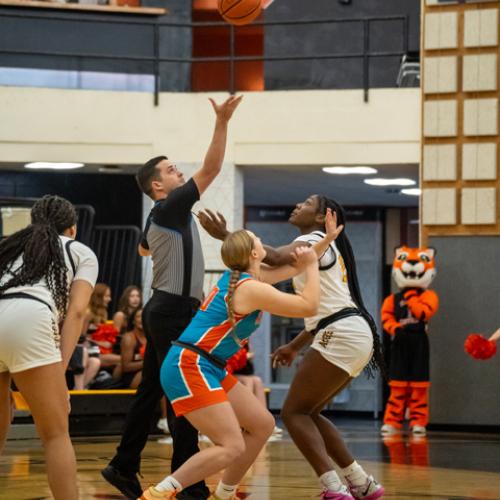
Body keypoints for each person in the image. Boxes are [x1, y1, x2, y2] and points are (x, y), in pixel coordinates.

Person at [102, 94, 243, 500]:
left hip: (163, 308)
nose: (178, 171)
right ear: (158, 187)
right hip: (172, 309)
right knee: (186, 388)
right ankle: (190, 482)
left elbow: (143, 248)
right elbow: (213, 167)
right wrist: (222, 121)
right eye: (170, 169)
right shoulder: (170, 206)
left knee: (152, 389)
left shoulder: (158, 215)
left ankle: (123, 464)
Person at [139, 217, 340, 500]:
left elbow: (292, 264)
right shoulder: (250, 288)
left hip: (205, 364)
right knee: (231, 445)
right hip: (189, 364)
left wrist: (325, 242)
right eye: (257, 238)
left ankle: (225, 494)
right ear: (255, 253)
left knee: (262, 424)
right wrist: (311, 267)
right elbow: (308, 305)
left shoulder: (248, 279)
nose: (261, 240)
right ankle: (157, 494)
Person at [199, 195, 386, 500]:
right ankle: (361, 482)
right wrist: (294, 345)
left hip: (342, 331)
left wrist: (226, 235)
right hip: (352, 332)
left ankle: (333, 488)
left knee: (293, 413)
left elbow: (272, 257)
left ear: (320, 216)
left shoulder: (312, 239)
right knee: (309, 413)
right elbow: (323, 311)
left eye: (308, 202)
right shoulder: (324, 244)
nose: (298, 203)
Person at [0, 195, 98, 500]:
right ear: (72, 229)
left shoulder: (9, 247)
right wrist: (59, 369)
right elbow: (77, 312)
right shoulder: (79, 250)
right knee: (55, 435)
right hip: (30, 317)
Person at [120, 307, 146, 389]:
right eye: (139, 317)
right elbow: (126, 367)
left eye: (144, 316)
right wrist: (148, 363)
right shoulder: (129, 338)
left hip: (147, 372)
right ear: (133, 321)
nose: (142, 319)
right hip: (131, 376)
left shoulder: (151, 336)